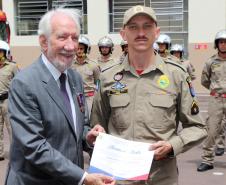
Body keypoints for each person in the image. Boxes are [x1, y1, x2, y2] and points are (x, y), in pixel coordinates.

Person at [91, 5, 207, 185]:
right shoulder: (107, 76)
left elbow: (198, 127)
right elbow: (97, 123)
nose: (141, 33)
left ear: (157, 32)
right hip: (118, 177)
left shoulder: (176, 74)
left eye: (147, 26)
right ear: (123, 34)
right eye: (133, 27)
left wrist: (172, 146)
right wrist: (96, 134)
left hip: (160, 177)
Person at [4, 8, 115, 185]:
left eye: (75, 38)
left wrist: (88, 135)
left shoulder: (74, 78)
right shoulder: (24, 84)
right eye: (62, 37)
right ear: (44, 42)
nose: (71, 46)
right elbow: (34, 147)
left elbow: (78, 126)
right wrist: (84, 177)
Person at [198, 29, 226, 172]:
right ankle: (207, 160)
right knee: (212, 130)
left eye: (225, 42)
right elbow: (204, 80)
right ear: (217, 44)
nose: (223, 45)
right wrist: (216, 90)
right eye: (221, 42)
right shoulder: (210, 62)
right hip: (216, 100)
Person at [71, 35, 100, 117]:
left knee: (91, 119)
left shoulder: (93, 65)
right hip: (75, 98)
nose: (79, 51)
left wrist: (96, 97)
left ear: (86, 50)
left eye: (81, 49)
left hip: (89, 98)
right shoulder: (69, 65)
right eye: (77, 48)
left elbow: (98, 82)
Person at [0, 40, 18, 161]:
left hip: (7, 100)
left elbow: (20, 82)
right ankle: (0, 153)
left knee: (11, 128)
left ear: (5, 53)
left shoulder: (12, 66)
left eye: (0, 52)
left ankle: (16, 153)